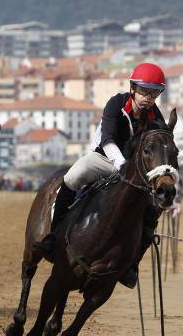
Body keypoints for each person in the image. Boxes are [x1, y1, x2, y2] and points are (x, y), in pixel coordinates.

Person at [33, 62, 170, 288]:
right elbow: (107, 140)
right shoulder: (116, 104)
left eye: (154, 93)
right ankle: (52, 237)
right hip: (104, 158)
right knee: (74, 176)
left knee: (151, 208)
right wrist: (123, 165)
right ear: (133, 88)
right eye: (144, 91)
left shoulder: (156, 116)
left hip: (134, 172)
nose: (148, 97)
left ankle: (132, 264)